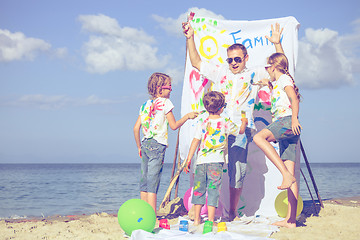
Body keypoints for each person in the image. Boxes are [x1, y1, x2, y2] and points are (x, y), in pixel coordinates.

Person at [183, 21, 285, 221]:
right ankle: (197, 211)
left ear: (246, 58)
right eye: (230, 60)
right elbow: (196, 62)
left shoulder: (254, 73)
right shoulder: (221, 72)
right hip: (217, 129)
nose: (234, 63)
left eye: (237, 59)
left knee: (237, 171)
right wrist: (190, 37)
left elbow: (280, 66)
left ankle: (232, 212)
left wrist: (276, 44)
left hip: (240, 130)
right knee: (205, 167)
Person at [133, 72, 198, 217]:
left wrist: (138, 146)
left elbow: (136, 128)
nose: (171, 89)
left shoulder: (144, 105)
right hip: (157, 145)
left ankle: (143, 213)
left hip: (145, 144)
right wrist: (187, 117)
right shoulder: (166, 103)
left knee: (144, 179)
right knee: (153, 182)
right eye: (169, 86)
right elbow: (174, 126)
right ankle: (151, 215)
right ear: (159, 89)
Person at [184, 91, 248, 225]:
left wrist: (189, 158)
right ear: (221, 108)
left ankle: (196, 220)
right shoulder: (225, 121)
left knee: (198, 190)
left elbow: (195, 141)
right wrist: (244, 122)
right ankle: (211, 220)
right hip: (216, 163)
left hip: (201, 162)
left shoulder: (202, 121)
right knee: (213, 190)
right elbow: (240, 132)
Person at [253, 52, 302, 228]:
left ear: (274, 66)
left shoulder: (284, 80)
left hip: (287, 121)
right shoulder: (279, 82)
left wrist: (295, 119)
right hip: (288, 124)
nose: (267, 70)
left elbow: (293, 98)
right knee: (291, 172)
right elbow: (281, 95)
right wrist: (268, 84)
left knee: (259, 137)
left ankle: (285, 175)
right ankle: (291, 220)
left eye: (268, 67)